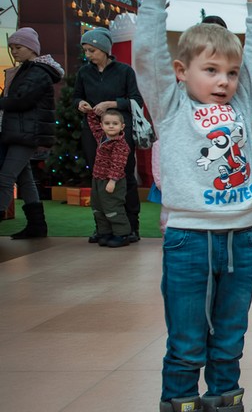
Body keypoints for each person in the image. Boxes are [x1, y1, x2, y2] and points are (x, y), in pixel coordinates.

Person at [135, 0, 252, 412]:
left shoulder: (242, 103)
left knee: (229, 339)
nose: (224, 81)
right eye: (211, 71)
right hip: (189, 240)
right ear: (181, 71)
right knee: (187, 342)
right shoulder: (170, 105)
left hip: (241, 239)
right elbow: (147, 51)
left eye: (230, 73)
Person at [74, 26, 145, 241]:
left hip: (121, 131)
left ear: (104, 49)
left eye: (91, 50)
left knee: (125, 175)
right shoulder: (84, 72)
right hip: (93, 131)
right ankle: (103, 228)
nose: (88, 55)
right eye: (85, 50)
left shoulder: (125, 71)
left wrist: (111, 104)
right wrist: (81, 103)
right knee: (97, 176)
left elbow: (136, 100)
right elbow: (76, 96)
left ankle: (131, 227)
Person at [2, 28, 63, 239]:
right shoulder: (28, 70)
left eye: (18, 47)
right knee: (24, 179)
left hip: (26, 133)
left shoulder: (38, 72)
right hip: (22, 131)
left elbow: (21, 100)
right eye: (12, 48)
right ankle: (37, 226)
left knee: (5, 178)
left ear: (32, 48)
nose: (14, 51)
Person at [85, 108, 133, 247]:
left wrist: (112, 181)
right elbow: (93, 125)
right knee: (98, 207)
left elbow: (118, 164)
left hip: (112, 182)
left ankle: (122, 234)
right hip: (97, 179)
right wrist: (90, 112)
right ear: (102, 125)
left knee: (112, 208)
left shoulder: (120, 145)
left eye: (115, 123)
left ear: (122, 126)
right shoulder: (101, 137)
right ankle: (105, 232)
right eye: (107, 123)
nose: (111, 126)